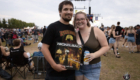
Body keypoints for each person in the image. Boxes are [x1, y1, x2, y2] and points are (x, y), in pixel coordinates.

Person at [41, 1, 76, 80]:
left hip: (71, 72)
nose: (69, 12)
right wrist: (54, 65)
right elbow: (44, 48)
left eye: (71, 10)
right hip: (55, 74)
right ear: (60, 12)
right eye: (65, 9)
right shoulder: (53, 27)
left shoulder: (73, 28)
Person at [73, 11, 109, 80]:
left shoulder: (95, 30)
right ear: (75, 21)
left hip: (93, 67)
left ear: (87, 20)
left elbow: (105, 46)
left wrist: (94, 55)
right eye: (77, 19)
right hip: (78, 67)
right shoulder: (75, 33)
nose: (80, 21)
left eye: (82, 19)